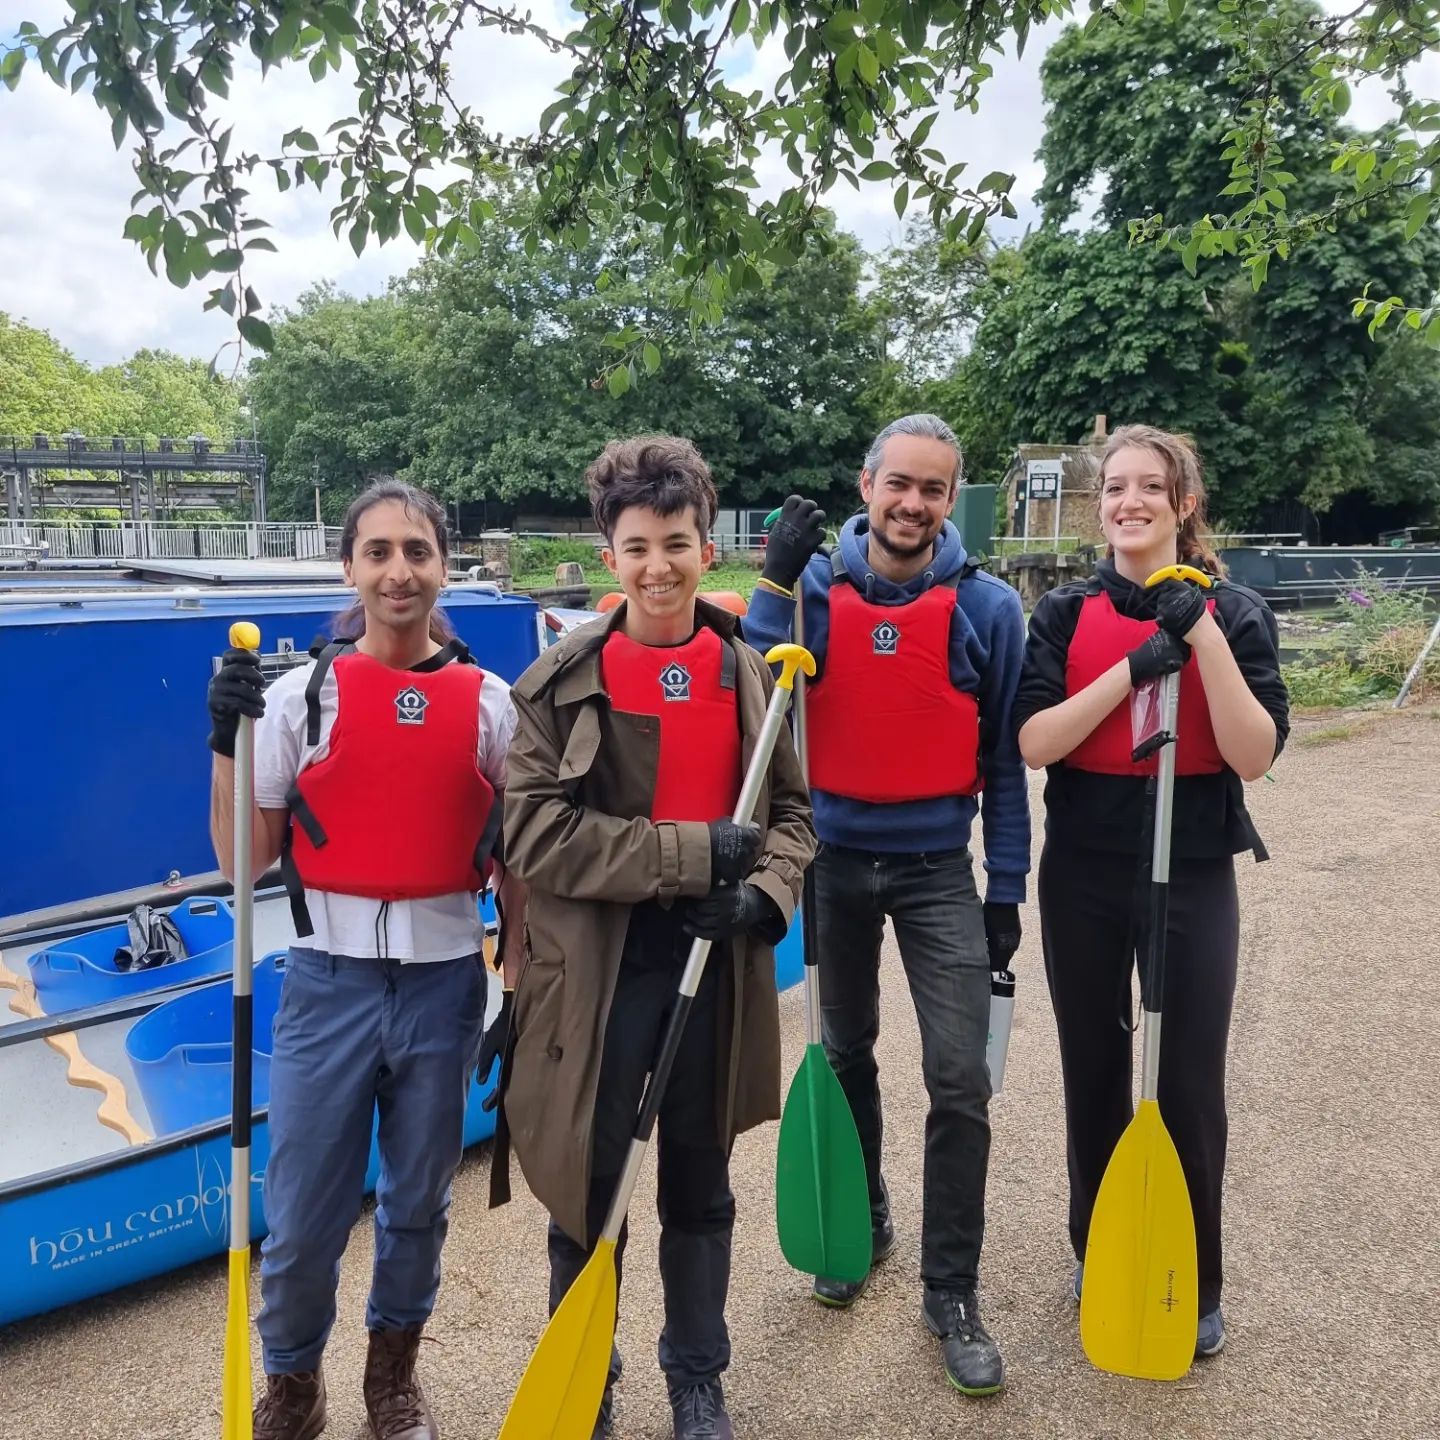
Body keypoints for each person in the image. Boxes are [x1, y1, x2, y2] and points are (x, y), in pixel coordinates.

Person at [490, 436, 815, 1440]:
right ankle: (585, 1372)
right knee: (591, 1191)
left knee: (699, 1184)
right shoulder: (557, 681)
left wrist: (765, 896)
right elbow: (535, 832)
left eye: (677, 544)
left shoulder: (750, 672)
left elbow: (795, 817)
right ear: (607, 555)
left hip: (714, 958)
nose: (660, 566)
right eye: (637, 547)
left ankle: (696, 1375)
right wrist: (689, 856)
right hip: (599, 969)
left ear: (707, 545)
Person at [206, 480, 524, 1440]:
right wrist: (226, 740)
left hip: (441, 984)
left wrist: (521, 979)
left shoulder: (493, 704)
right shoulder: (298, 700)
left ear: (443, 565)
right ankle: (294, 1387)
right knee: (301, 1220)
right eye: (378, 552)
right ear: (349, 566)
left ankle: (394, 1382)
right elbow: (240, 859)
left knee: (416, 1206)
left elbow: (514, 863)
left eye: (417, 552)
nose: (399, 571)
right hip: (325, 983)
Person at [745, 413, 1031, 1398]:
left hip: (935, 869)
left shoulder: (987, 608)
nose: (912, 503)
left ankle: (951, 1289)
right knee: (846, 1052)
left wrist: (1007, 893)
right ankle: (860, 1219)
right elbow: (757, 683)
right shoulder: (816, 589)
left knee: (961, 1078)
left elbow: (1002, 760)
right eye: (896, 483)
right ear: (868, 483)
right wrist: (775, 581)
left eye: (934, 489)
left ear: (951, 501)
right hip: (832, 861)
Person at [1013, 424, 1289, 1359]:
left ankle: (1193, 1275)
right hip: (1087, 866)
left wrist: (1198, 628)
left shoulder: (1240, 612)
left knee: (1185, 1082)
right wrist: (1133, 669)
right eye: (1115, 488)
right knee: (1095, 1068)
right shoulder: (1062, 614)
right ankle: (1099, 1247)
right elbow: (1036, 741)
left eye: (1150, 489)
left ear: (1183, 504)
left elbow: (1254, 753)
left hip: (1194, 866)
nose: (1129, 503)